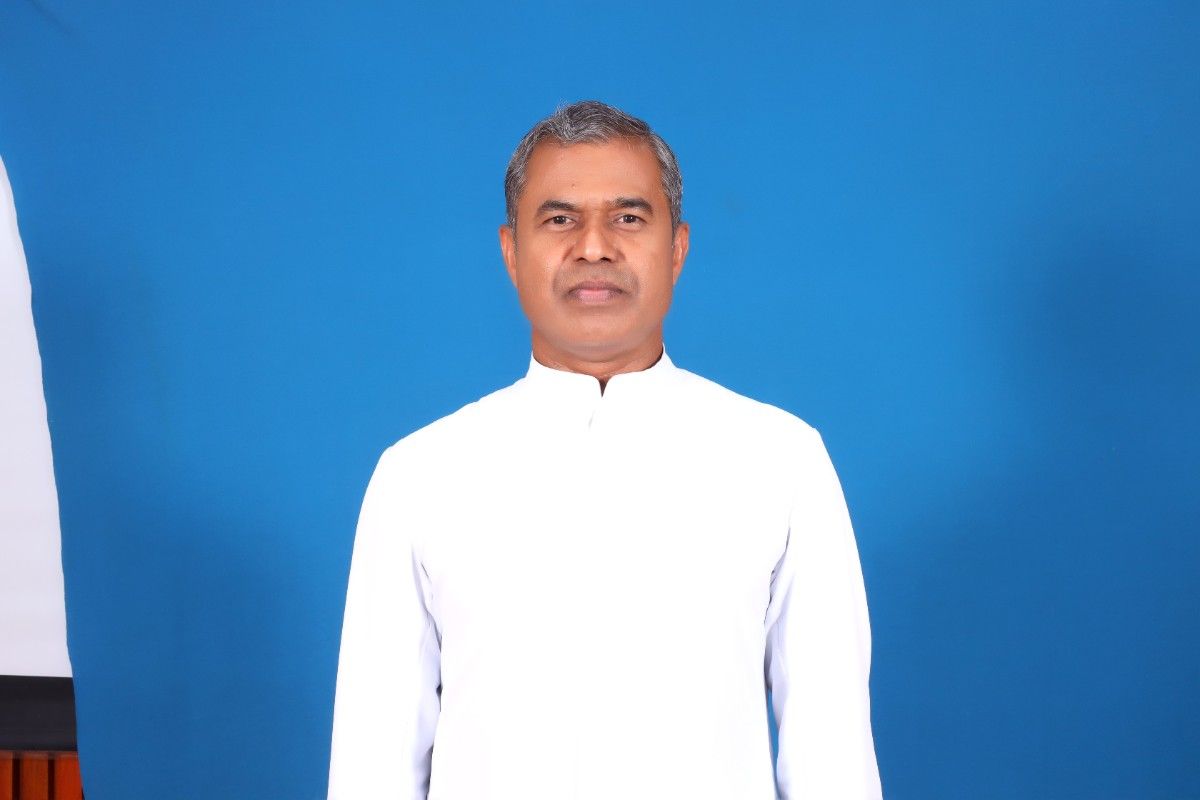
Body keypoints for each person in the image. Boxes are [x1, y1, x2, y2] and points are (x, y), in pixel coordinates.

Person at [328, 100, 882, 799]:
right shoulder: (419, 475)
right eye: (560, 220)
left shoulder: (781, 460)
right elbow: (373, 764)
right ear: (511, 252)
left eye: (628, 218)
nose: (594, 247)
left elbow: (831, 754)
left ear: (677, 249)